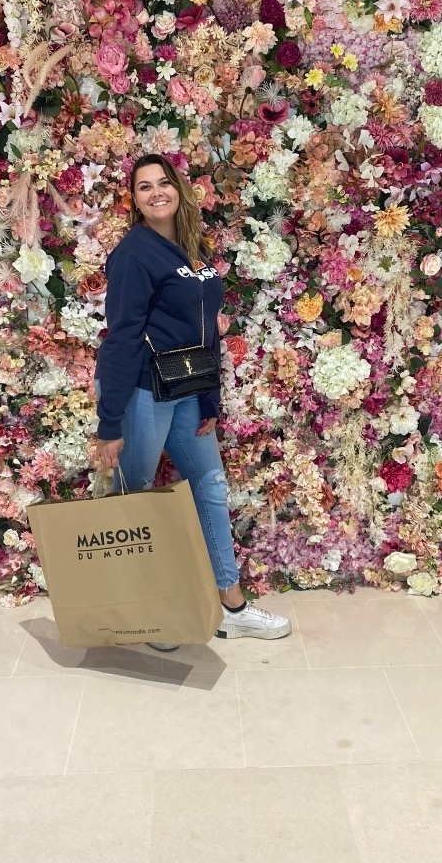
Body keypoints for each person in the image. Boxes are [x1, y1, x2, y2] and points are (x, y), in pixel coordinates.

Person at [94, 153, 290, 647]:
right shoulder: (133, 254)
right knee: (135, 503)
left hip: (186, 390)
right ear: (134, 199)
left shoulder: (190, 247)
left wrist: (209, 399)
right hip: (143, 392)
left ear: (178, 189)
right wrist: (109, 422)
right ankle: (148, 615)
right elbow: (121, 337)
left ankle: (232, 608)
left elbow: (206, 332)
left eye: (163, 182)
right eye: (144, 186)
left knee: (211, 485)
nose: (156, 192)